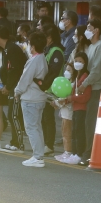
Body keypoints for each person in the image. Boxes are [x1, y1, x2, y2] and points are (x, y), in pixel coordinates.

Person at [14, 32, 50, 167]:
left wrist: (17, 91)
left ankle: (37, 156)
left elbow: (25, 79)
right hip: (39, 97)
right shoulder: (42, 58)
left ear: (33, 46)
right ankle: (39, 155)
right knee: (37, 127)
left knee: (31, 127)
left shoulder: (34, 60)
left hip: (30, 98)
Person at [77, 19, 101, 165]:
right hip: (90, 88)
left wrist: (84, 84)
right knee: (86, 122)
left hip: (96, 90)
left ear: (96, 30)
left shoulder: (100, 46)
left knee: (91, 123)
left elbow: (96, 71)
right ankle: (86, 151)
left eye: (89, 27)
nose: (87, 30)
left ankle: (89, 154)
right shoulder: (90, 47)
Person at [0, 25, 27, 152]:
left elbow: (14, 70)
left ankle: (18, 143)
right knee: (12, 114)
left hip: (17, 87)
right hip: (12, 86)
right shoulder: (7, 49)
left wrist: (8, 86)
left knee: (14, 115)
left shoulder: (12, 49)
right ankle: (14, 142)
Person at [61, 53, 91, 165]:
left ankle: (79, 154)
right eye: (76, 60)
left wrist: (72, 98)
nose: (77, 63)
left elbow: (85, 96)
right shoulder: (78, 76)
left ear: (85, 63)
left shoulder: (85, 77)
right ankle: (74, 153)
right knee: (74, 132)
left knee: (79, 132)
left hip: (81, 109)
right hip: (75, 108)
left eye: (80, 61)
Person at [39, 24, 65, 155]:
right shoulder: (47, 50)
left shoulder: (56, 51)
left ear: (51, 37)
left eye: (46, 36)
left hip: (51, 88)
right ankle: (45, 142)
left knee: (48, 118)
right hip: (45, 87)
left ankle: (49, 144)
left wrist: (43, 84)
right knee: (44, 117)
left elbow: (53, 71)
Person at [53, 62, 77, 164]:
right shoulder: (67, 83)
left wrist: (57, 103)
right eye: (66, 70)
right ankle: (66, 151)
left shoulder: (72, 85)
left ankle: (68, 151)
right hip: (64, 113)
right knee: (64, 131)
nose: (67, 72)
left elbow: (66, 100)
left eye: (69, 70)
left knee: (67, 132)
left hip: (69, 113)